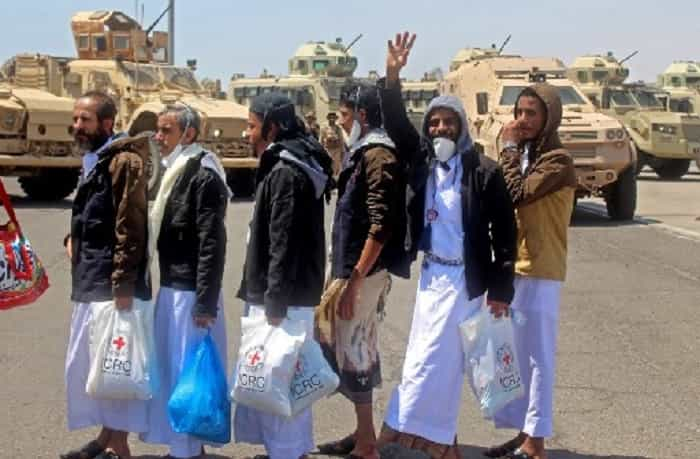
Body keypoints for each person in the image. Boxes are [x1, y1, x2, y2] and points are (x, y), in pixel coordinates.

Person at [373, 33, 518, 459]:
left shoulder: (483, 173)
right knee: (426, 358)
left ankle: (408, 432)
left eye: (447, 122)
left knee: (437, 362)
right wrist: (393, 74)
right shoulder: (423, 164)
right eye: (434, 123)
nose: (440, 129)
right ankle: (440, 441)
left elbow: (505, 235)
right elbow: (397, 121)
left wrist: (501, 291)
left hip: (465, 281)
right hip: (432, 275)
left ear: (461, 126)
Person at [235, 92, 333, 459]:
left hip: (282, 299)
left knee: (277, 380)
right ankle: (291, 450)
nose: (247, 134)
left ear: (272, 127)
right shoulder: (288, 165)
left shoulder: (286, 172)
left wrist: (274, 300)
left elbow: (283, 241)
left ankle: (287, 452)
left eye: (252, 125)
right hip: (286, 296)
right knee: (285, 381)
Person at [316, 82, 409, 459]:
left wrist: (355, 279)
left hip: (363, 273)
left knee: (355, 350)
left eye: (344, 114)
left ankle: (368, 443)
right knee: (353, 347)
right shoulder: (364, 152)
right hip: (355, 269)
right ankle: (363, 432)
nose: (341, 122)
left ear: (362, 114)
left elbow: (381, 224)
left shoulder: (378, 155)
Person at [488, 84, 577, 459]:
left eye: (531, 114)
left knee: (539, 356)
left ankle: (536, 442)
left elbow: (517, 193)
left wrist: (506, 151)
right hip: (516, 266)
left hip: (541, 267)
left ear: (548, 118)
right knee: (515, 355)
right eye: (519, 112)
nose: (522, 120)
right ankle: (524, 431)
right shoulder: (526, 155)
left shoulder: (557, 161)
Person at [62, 91, 151, 459]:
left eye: (85, 120)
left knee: (114, 368)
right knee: (92, 368)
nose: (77, 126)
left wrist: (123, 285)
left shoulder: (125, 162)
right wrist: (73, 238)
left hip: (111, 284)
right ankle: (107, 440)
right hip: (90, 277)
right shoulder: (96, 160)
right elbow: (93, 216)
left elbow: (130, 228)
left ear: (107, 124)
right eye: (76, 118)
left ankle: (117, 446)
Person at [140, 105, 230, 459]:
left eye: (166, 131)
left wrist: (205, 303)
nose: (159, 138)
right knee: (174, 369)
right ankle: (184, 446)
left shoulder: (203, 175)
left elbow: (212, 242)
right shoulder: (175, 171)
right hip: (174, 289)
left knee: (189, 373)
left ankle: (187, 449)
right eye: (158, 131)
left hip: (192, 294)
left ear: (188, 134)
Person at [320, 111, 345, 177]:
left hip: (337, 149)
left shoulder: (338, 128)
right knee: (328, 164)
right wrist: (321, 150)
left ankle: (334, 179)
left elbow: (341, 139)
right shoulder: (324, 127)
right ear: (328, 118)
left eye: (333, 117)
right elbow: (321, 139)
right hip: (328, 149)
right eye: (330, 117)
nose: (332, 119)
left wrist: (342, 151)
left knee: (336, 166)